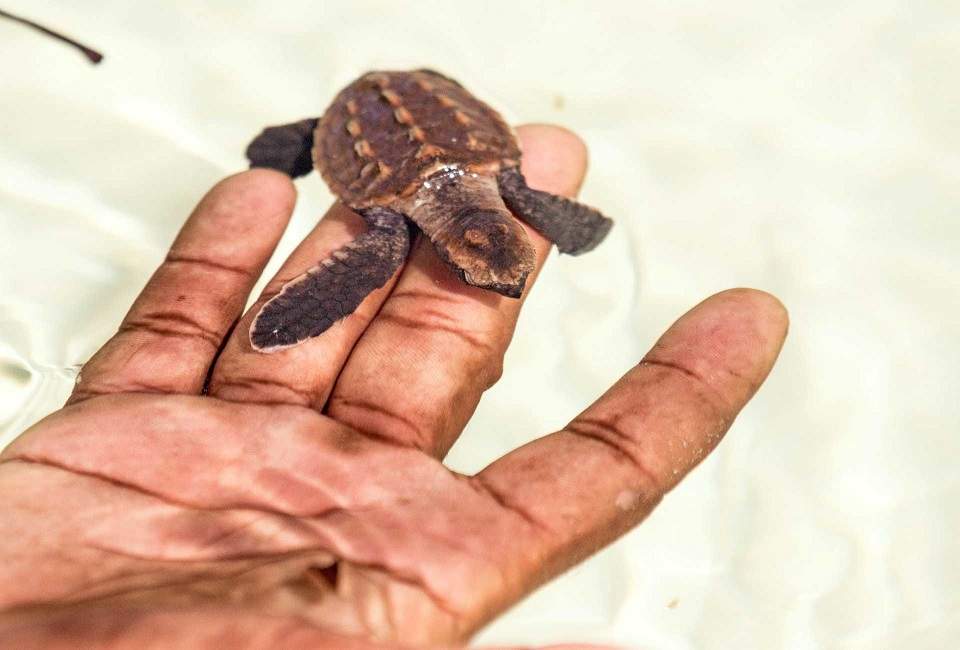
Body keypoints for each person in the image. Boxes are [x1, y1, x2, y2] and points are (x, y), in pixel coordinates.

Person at [0, 125, 788, 648]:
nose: (496, 287)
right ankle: (304, 137)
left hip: (462, 142)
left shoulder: (502, 179)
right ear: (451, 246)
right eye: (484, 271)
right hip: (365, 128)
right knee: (353, 246)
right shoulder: (396, 221)